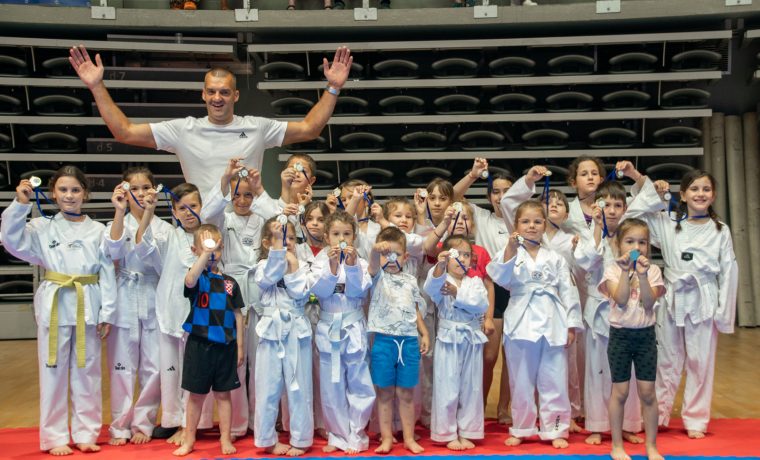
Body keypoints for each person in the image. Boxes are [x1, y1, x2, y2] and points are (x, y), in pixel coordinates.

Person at [68, 45, 353, 197]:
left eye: (225, 92)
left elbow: (310, 128)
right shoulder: (182, 129)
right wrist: (96, 86)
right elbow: (125, 132)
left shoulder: (257, 126)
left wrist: (334, 88)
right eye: (212, 92)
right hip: (198, 223)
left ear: (236, 95)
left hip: (247, 224)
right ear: (203, 94)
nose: (218, 98)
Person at [1, 166, 116, 455]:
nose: (69, 195)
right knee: (52, 373)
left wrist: (107, 312)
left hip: (87, 303)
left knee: (87, 373)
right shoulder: (42, 227)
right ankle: (54, 438)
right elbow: (10, 240)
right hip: (55, 304)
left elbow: (107, 273)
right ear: (53, 193)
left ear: (85, 194)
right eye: (63, 190)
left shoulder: (98, 230)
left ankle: (86, 432)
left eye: (75, 190)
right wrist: (20, 204)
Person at [626, 170, 738, 439]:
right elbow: (632, 219)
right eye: (695, 189)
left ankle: (696, 419)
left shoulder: (720, 230)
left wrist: (724, 313)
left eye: (706, 189)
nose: (701, 194)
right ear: (683, 194)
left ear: (713, 195)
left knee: (701, 361)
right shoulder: (668, 221)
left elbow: (729, 270)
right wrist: (655, 193)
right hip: (673, 296)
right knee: (666, 359)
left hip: (704, 297)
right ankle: (659, 414)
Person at [134, 165, 231, 445]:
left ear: (202, 207)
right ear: (173, 212)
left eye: (194, 206)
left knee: (195, 372)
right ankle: (175, 421)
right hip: (169, 310)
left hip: (202, 315)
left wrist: (224, 178)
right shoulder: (167, 235)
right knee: (170, 371)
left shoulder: (210, 237)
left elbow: (217, 200)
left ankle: (195, 425)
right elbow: (142, 244)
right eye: (182, 208)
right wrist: (149, 211)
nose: (189, 212)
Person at [486, 200, 583, 449]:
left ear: (544, 224)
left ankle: (556, 427)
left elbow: (568, 291)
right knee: (520, 378)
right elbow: (498, 276)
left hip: (553, 320)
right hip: (521, 320)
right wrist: (509, 248)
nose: (532, 226)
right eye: (525, 221)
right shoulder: (510, 252)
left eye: (537, 221)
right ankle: (522, 426)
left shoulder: (556, 258)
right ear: (516, 225)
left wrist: (571, 324)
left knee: (554, 377)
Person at [574, 180, 644, 446]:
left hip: (628, 309)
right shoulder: (587, 233)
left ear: (625, 208)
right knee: (597, 369)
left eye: (618, 205)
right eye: (607, 205)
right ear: (596, 207)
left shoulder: (631, 236)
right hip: (598, 309)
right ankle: (597, 424)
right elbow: (583, 262)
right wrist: (597, 230)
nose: (612, 210)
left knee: (628, 371)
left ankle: (627, 424)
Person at [104, 167, 170, 446]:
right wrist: (119, 211)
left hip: (153, 291)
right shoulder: (115, 222)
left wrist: (149, 217)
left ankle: (143, 423)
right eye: (135, 188)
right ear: (125, 190)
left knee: (153, 365)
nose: (141, 193)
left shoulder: (166, 228)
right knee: (122, 364)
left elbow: (161, 264)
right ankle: (119, 426)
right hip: (124, 293)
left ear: (154, 190)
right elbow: (113, 252)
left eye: (146, 187)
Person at [452, 158, 513, 424]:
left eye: (507, 191)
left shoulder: (522, 220)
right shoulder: (482, 215)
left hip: (518, 291)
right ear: (489, 196)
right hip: (493, 291)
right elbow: (452, 196)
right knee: (489, 356)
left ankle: (504, 409)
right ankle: (481, 405)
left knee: (513, 357)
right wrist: (474, 175)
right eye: (496, 192)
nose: (501, 197)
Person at [599, 218, 665, 460]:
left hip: (646, 336)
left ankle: (652, 446)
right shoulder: (612, 270)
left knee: (648, 392)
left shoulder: (654, 270)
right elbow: (622, 299)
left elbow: (649, 303)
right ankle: (617, 445)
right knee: (621, 391)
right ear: (618, 244)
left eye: (642, 242)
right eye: (630, 241)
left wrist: (644, 276)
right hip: (620, 336)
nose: (637, 246)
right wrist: (627, 271)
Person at [309, 211, 375, 453]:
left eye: (346, 234)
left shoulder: (361, 262)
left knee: (359, 381)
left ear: (354, 236)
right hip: (328, 326)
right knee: (331, 384)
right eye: (336, 234)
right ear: (326, 236)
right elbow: (320, 292)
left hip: (354, 324)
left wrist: (351, 265)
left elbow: (359, 292)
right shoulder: (318, 262)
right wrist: (333, 266)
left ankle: (357, 432)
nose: (341, 239)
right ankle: (337, 435)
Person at [254, 216, 314, 456]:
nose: (286, 242)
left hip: (296, 328)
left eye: (290, 238)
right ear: (267, 243)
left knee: (299, 386)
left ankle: (300, 439)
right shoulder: (262, 265)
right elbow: (266, 278)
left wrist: (293, 265)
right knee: (267, 386)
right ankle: (266, 438)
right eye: (280, 238)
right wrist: (278, 255)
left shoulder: (303, 266)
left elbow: (300, 291)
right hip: (270, 329)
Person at [368, 227, 430, 454]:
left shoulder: (411, 280)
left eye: (396, 255)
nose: (391, 260)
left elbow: (415, 310)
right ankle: (386, 438)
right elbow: (374, 265)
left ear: (406, 257)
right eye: (387, 254)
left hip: (409, 342)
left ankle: (409, 438)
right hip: (384, 341)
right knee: (384, 392)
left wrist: (423, 332)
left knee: (406, 393)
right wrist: (377, 251)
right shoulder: (376, 277)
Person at [423, 235, 488, 450]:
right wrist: (440, 266)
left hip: (471, 336)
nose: (462, 258)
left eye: (467, 255)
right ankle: (446, 432)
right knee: (446, 385)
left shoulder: (475, 281)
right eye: (457, 254)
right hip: (448, 337)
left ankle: (469, 430)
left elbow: (481, 304)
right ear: (448, 257)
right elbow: (430, 289)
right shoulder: (441, 279)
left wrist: (458, 292)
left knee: (472, 386)